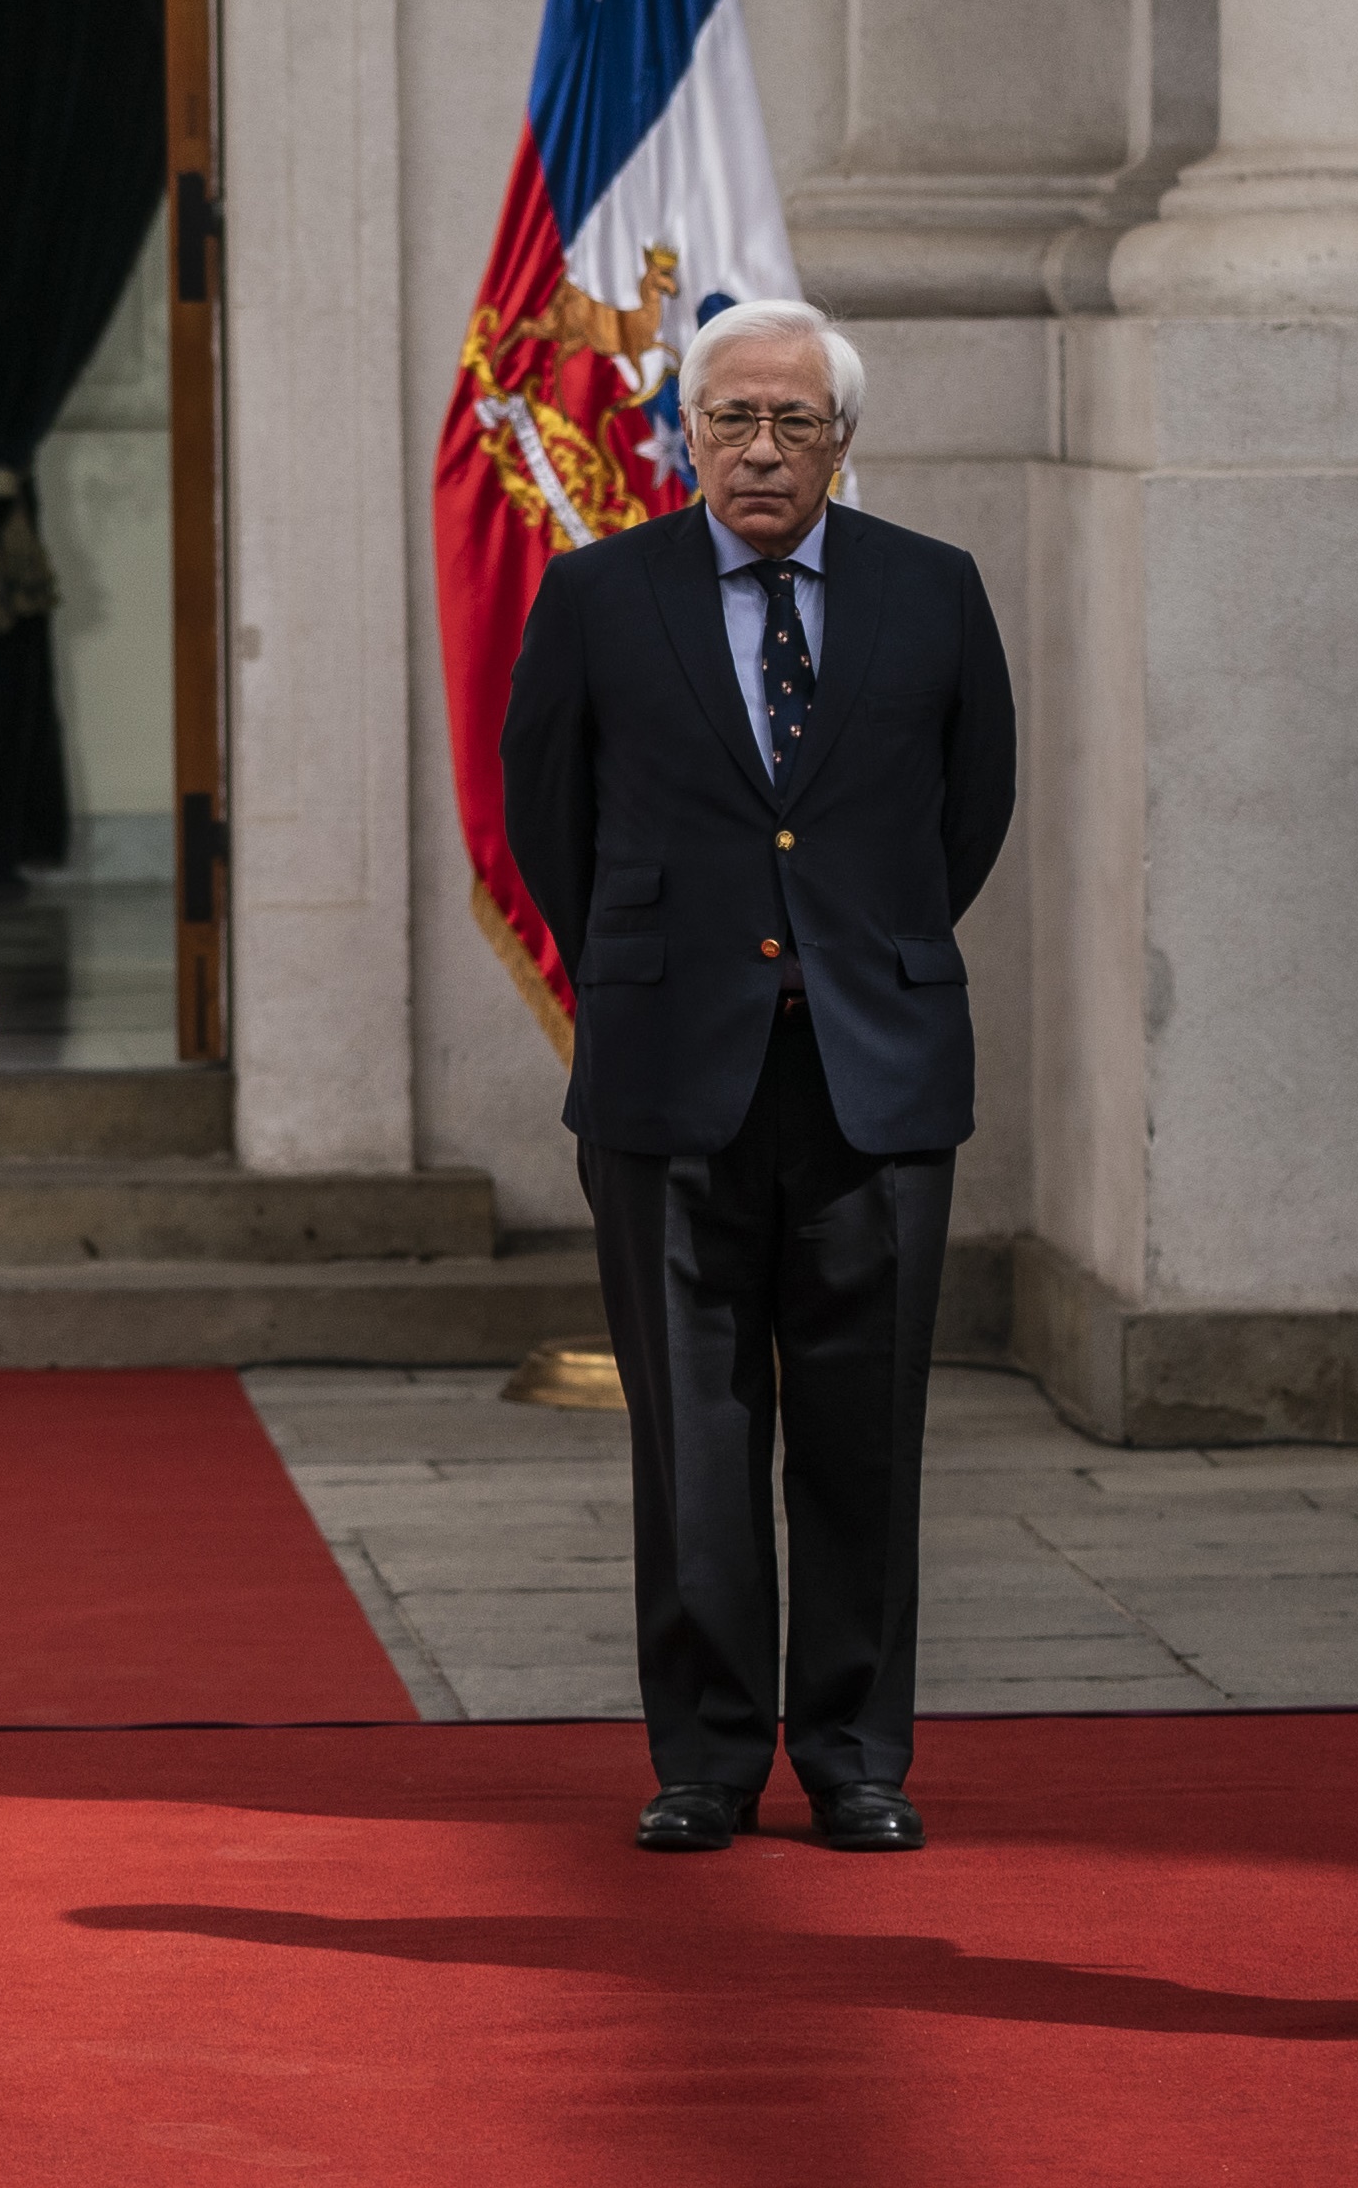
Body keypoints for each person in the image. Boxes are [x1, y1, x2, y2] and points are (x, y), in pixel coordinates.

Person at [497, 297, 1014, 1856]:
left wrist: (854, 956)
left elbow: (966, 816)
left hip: (877, 1073)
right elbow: (549, 819)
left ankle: (857, 1753)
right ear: (688, 433)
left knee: (866, 1430)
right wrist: (671, 964)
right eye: (733, 419)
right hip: (671, 1071)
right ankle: (708, 1757)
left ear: (842, 443)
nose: (763, 448)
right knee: (694, 1431)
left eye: (795, 422)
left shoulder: (934, 592)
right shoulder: (599, 596)